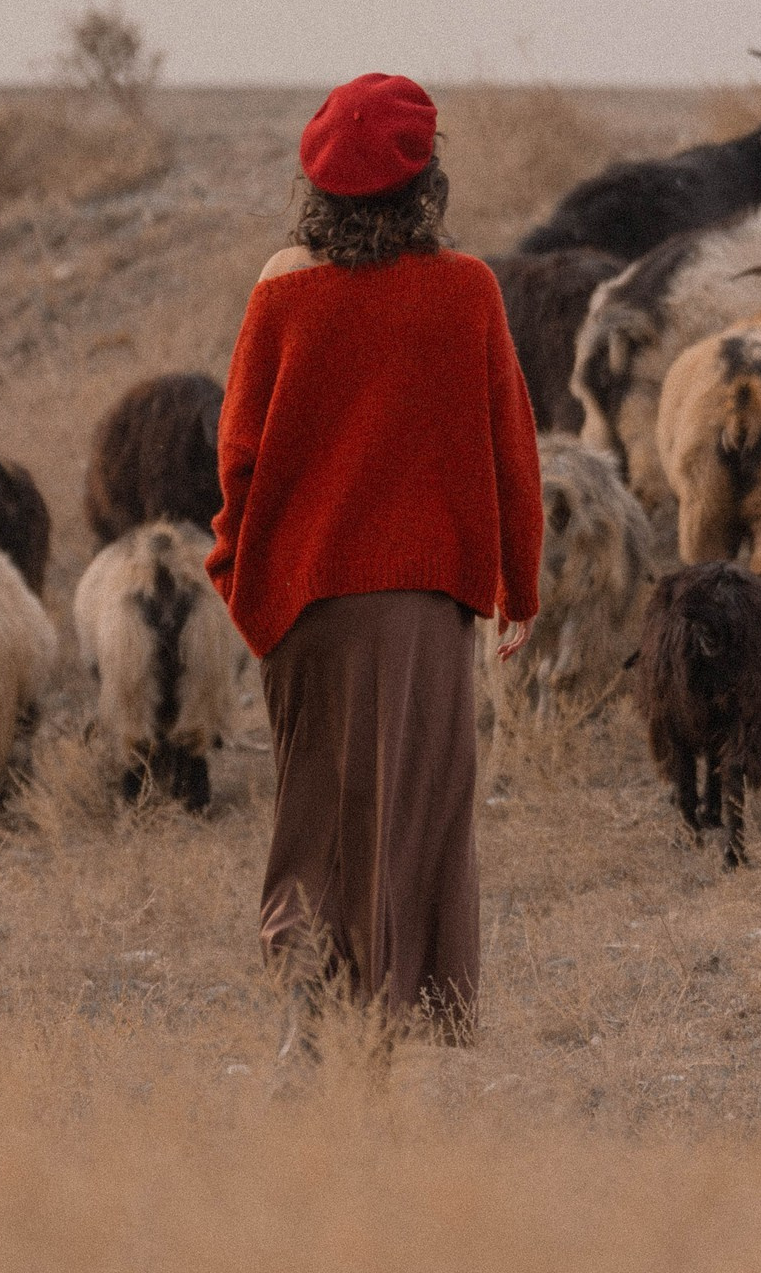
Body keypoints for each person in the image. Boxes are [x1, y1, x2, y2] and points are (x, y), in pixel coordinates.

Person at [207, 72, 542, 1047]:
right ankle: (377, 1046)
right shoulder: (465, 288)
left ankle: (306, 1029)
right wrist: (516, 585)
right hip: (424, 605)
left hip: (305, 603)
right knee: (410, 813)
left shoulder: (280, 286)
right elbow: (508, 448)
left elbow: (237, 454)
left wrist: (249, 573)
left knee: (316, 807)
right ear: (423, 177)